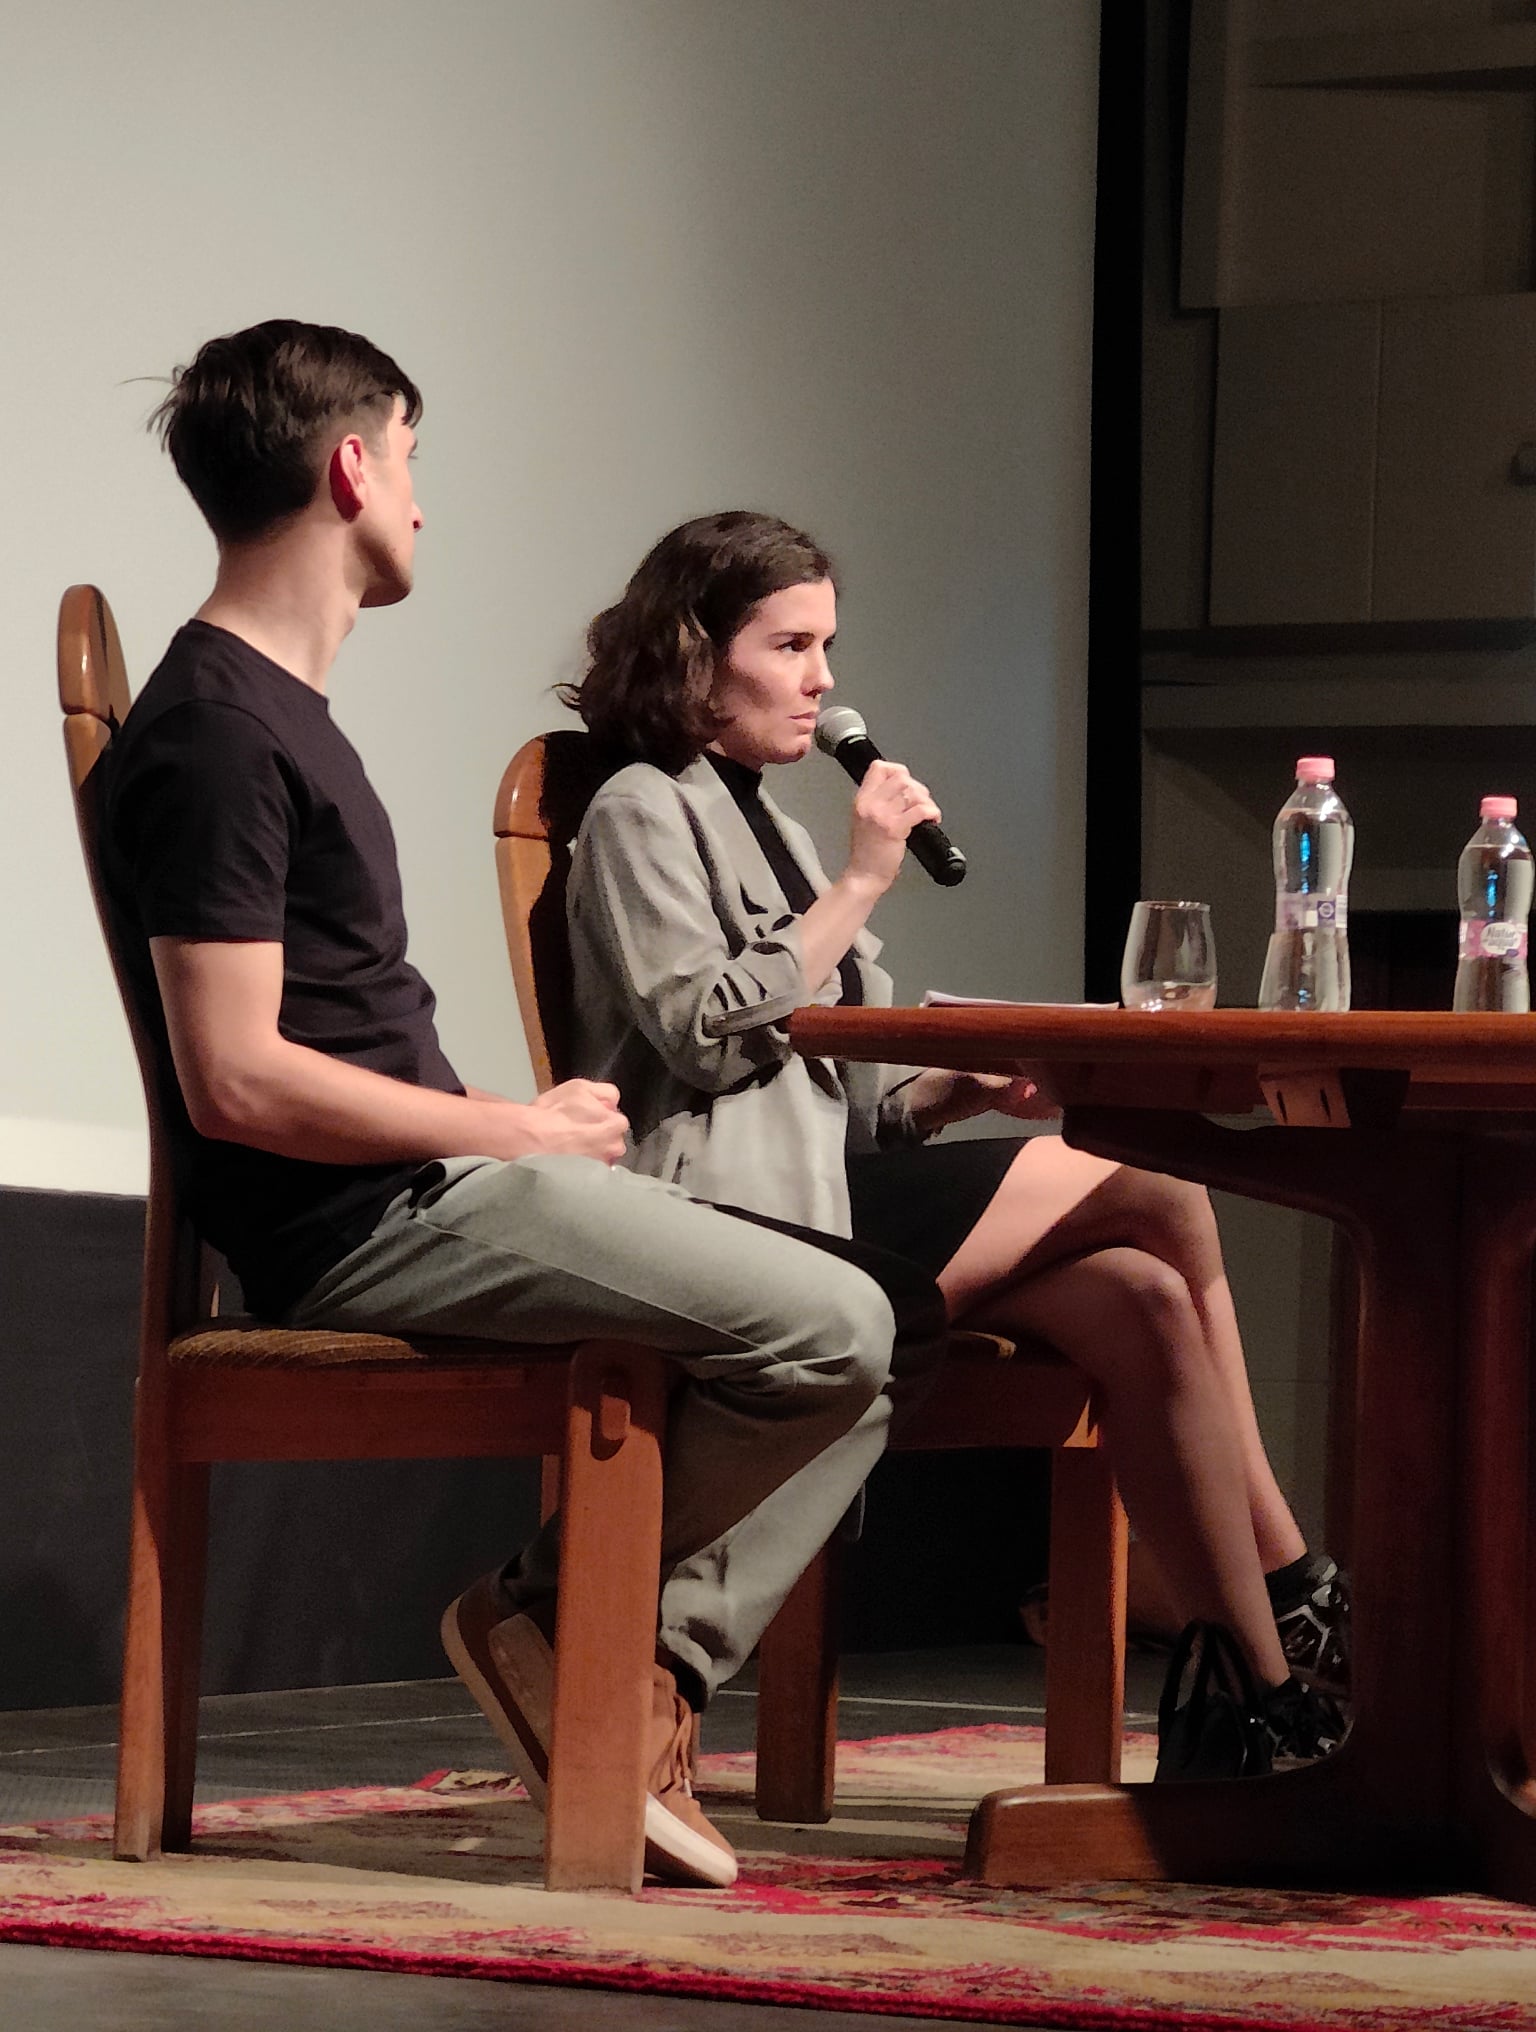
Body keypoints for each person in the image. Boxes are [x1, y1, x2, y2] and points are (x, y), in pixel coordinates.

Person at [96, 330, 951, 1887]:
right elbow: (236, 1077)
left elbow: (327, 1039)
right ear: (351, 466)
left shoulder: (278, 713)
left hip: (427, 1189)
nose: (420, 500)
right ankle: (559, 1627)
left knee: (871, 1338)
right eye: (410, 459)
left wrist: (508, 1119)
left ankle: (599, 1658)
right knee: (839, 1331)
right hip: (363, 1227)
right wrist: (511, 1130)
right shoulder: (219, 731)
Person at [561, 511, 1349, 1778]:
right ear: (696, 655)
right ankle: (1293, 1577)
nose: (823, 680)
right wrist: (861, 886)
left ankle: (1245, 1694)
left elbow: (851, 1098)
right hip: (730, 1221)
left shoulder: (779, 830)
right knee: (1156, 1186)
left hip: (835, 1186)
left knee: (1140, 1296)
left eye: (827, 646)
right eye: (790, 645)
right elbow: (706, 1035)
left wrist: (954, 1093)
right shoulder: (637, 811)